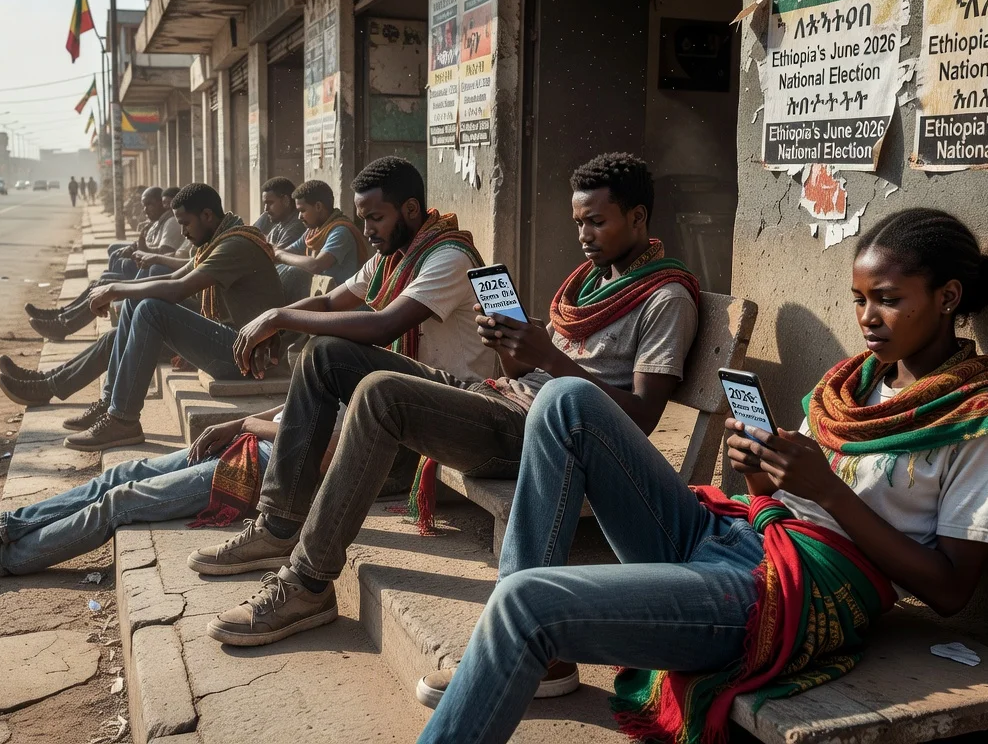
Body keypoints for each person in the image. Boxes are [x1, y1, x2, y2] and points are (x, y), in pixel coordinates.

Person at [413, 208, 988, 743]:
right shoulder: (853, 384)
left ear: (947, 298)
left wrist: (826, 490)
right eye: (859, 300)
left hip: (789, 595)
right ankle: (528, 656)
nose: (868, 318)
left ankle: (516, 642)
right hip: (740, 537)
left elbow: (951, 590)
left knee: (525, 604)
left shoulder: (983, 421)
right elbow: (782, 501)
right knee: (562, 400)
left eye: (889, 300)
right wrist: (763, 474)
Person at [194, 153, 702, 651]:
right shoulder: (593, 281)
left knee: (381, 393)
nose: (584, 235)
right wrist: (512, 346)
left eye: (597, 222)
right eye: (578, 223)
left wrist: (548, 355)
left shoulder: (665, 298)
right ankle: (278, 524)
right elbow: (522, 375)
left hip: (541, 433)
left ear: (638, 217)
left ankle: (307, 583)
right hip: (497, 397)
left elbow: (640, 418)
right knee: (325, 353)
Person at [0, 403, 341, 587]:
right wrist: (238, 423)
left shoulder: (369, 381)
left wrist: (246, 425)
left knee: (121, 501)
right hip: (246, 446)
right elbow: (292, 407)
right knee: (122, 473)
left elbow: (330, 452)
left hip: (262, 471)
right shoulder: (338, 358)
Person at [62, 183, 285, 451]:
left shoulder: (234, 245)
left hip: (246, 357)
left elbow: (178, 289)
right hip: (234, 343)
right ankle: (111, 405)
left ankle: (122, 420)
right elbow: (172, 277)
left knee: (150, 310)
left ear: (206, 215)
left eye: (185, 223)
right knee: (135, 302)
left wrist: (114, 290)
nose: (183, 232)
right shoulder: (219, 239)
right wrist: (117, 290)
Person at [23, 186, 185, 342]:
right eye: (165, 204)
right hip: (150, 275)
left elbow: (166, 258)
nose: (167, 208)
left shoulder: (172, 223)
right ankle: (59, 316)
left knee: (105, 286)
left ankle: (62, 326)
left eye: (165, 204)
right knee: (99, 283)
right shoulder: (165, 222)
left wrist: (144, 250)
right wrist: (139, 248)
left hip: (154, 279)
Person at [271, 179, 369, 285]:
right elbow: (289, 251)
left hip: (342, 293)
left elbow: (316, 265)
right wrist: (274, 252)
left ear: (318, 206)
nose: (299, 217)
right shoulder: (313, 232)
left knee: (292, 272)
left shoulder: (341, 232)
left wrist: (279, 255)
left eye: (302, 211)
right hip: (322, 292)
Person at [258, 176, 311, 302]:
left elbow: (270, 257)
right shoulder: (277, 223)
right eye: (265, 204)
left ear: (286, 201)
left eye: (270, 203)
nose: (266, 209)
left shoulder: (298, 225)